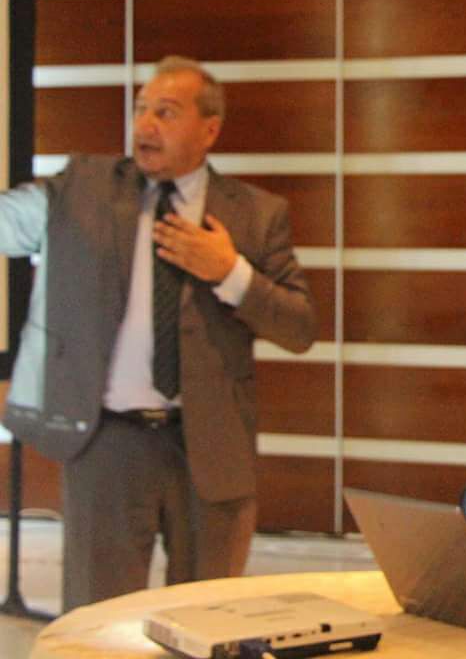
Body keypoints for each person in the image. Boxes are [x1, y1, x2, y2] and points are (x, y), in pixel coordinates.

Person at [0, 56, 316, 610]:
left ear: (209, 129)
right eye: (140, 109)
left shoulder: (256, 214)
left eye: (165, 112)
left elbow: (299, 327)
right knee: (96, 623)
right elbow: (8, 225)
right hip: (108, 443)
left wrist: (230, 272)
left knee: (207, 620)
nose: (144, 124)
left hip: (211, 447)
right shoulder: (84, 189)